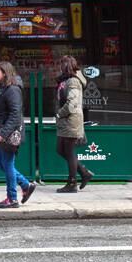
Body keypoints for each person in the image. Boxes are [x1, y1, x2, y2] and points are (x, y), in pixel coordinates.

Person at [0, 61, 35, 209]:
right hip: (3, 131)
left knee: (8, 164)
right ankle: (25, 184)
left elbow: (15, 114)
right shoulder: (2, 88)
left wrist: (4, 133)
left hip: (9, 133)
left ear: (5, 73)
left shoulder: (13, 90)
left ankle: (12, 198)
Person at [55, 55, 94, 193]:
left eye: (61, 64)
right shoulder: (67, 80)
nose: (59, 67)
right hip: (65, 122)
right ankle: (84, 173)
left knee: (69, 152)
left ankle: (72, 183)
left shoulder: (73, 82)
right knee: (60, 149)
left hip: (70, 121)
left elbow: (72, 104)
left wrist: (60, 113)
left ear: (66, 66)